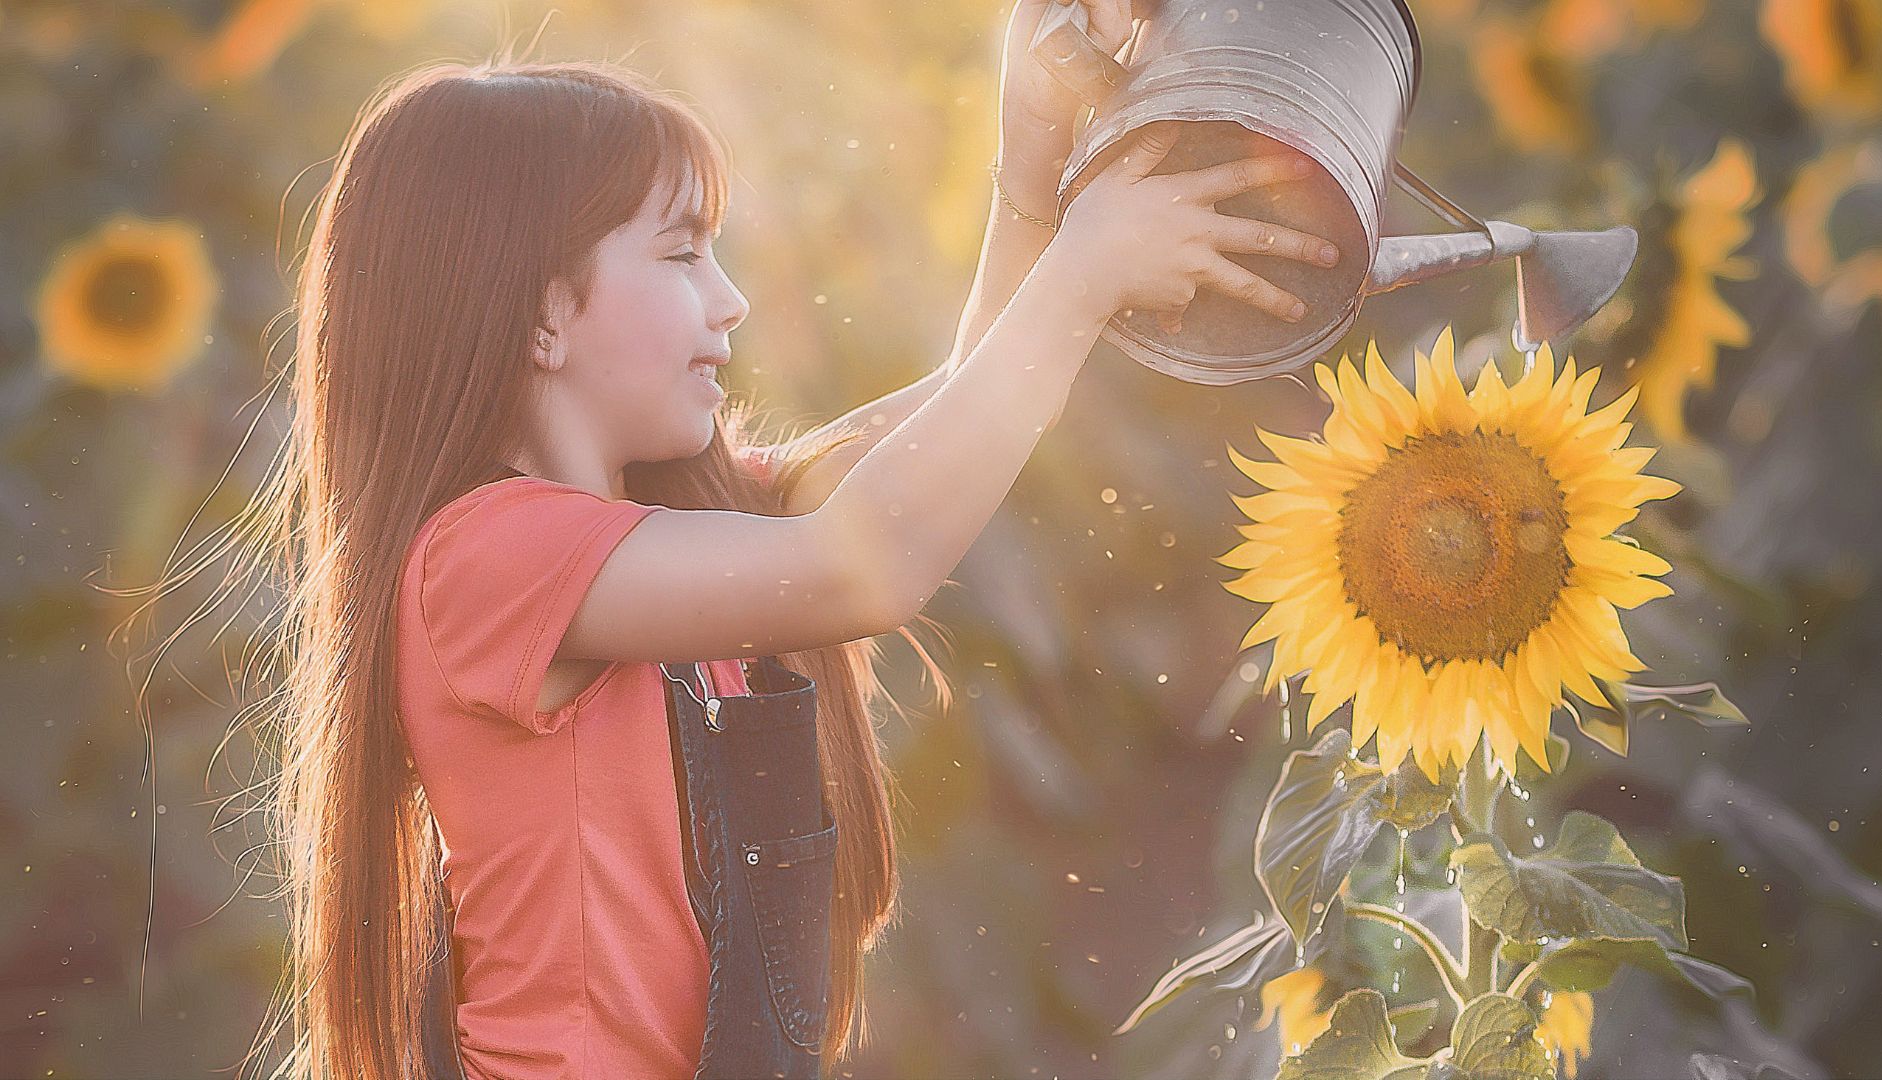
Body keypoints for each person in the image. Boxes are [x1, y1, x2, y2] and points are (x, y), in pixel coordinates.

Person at [230, 2, 1342, 1077]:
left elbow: (951, 418)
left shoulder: (667, 536)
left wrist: (1036, 133)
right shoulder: (482, 560)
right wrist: (1086, 270)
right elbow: (865, 562)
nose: (731, 303)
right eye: (681, 255)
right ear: (540, 312)